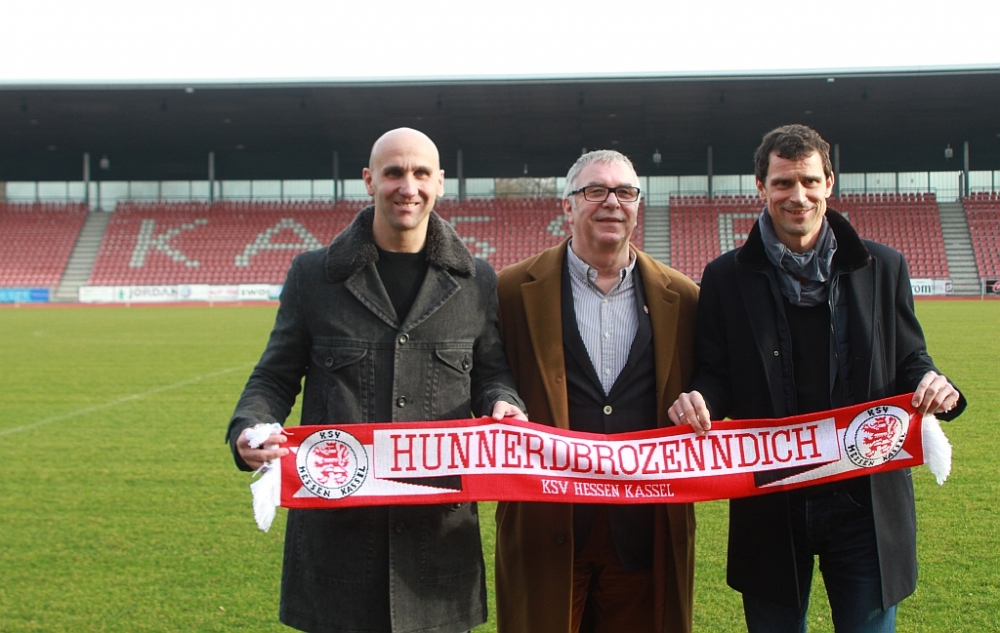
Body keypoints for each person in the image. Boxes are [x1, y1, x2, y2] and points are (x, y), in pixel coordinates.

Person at [225, 127, 526, 633]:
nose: (408, 187)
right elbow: (274, 377)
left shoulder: (476, 281)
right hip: (337, 547)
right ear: (369, 180)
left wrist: (503, 401)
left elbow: (492, 374)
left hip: (438, 546)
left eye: (421, 173)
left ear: (440, 182)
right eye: (393, 173)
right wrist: (249, 426)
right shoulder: (314, 276)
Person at [668, 124, 966, 633]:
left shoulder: (883, 266)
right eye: (783, 183)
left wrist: (936, 383)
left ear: (829, 182)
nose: (798, 196)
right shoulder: (724, 277)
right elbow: (717, 374)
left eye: (808, 181)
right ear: (761, 187)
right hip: (771, 496)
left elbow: (910, 358)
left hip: (866, 500)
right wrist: (700, 399)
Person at [494, 150, 698, 633]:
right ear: (567, 205)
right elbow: (489, 372)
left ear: (638, 205)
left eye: (625, 192)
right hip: (548, 522)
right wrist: (500, 398)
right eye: (595, 191)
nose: (612, 202)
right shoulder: (510, 290)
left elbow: (708, 380)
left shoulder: (684, 296)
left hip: (645, 529)